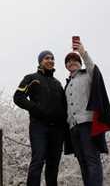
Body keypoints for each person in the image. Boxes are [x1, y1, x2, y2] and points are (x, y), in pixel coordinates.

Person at [64, 39, 110, 186]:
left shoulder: (88, 74)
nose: (71, 63)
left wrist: (83, 52)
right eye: (68, 61)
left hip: (87, 123)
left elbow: (92, 67)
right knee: (82, 162)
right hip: (73, 127)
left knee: (92, 159)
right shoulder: (67, 84)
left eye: (74, 60)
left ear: (79, 63)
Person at [13, 50, 68, 186]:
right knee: (38, 160)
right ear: (40, 61)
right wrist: (35, 109)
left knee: (53, 164)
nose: (50, 60)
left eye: (52, 58)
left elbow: (64, 105)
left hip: (57, 129)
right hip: (39, 126)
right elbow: (18, 97)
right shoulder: (31, 78)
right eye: (46, 58)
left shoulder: (58, 83)